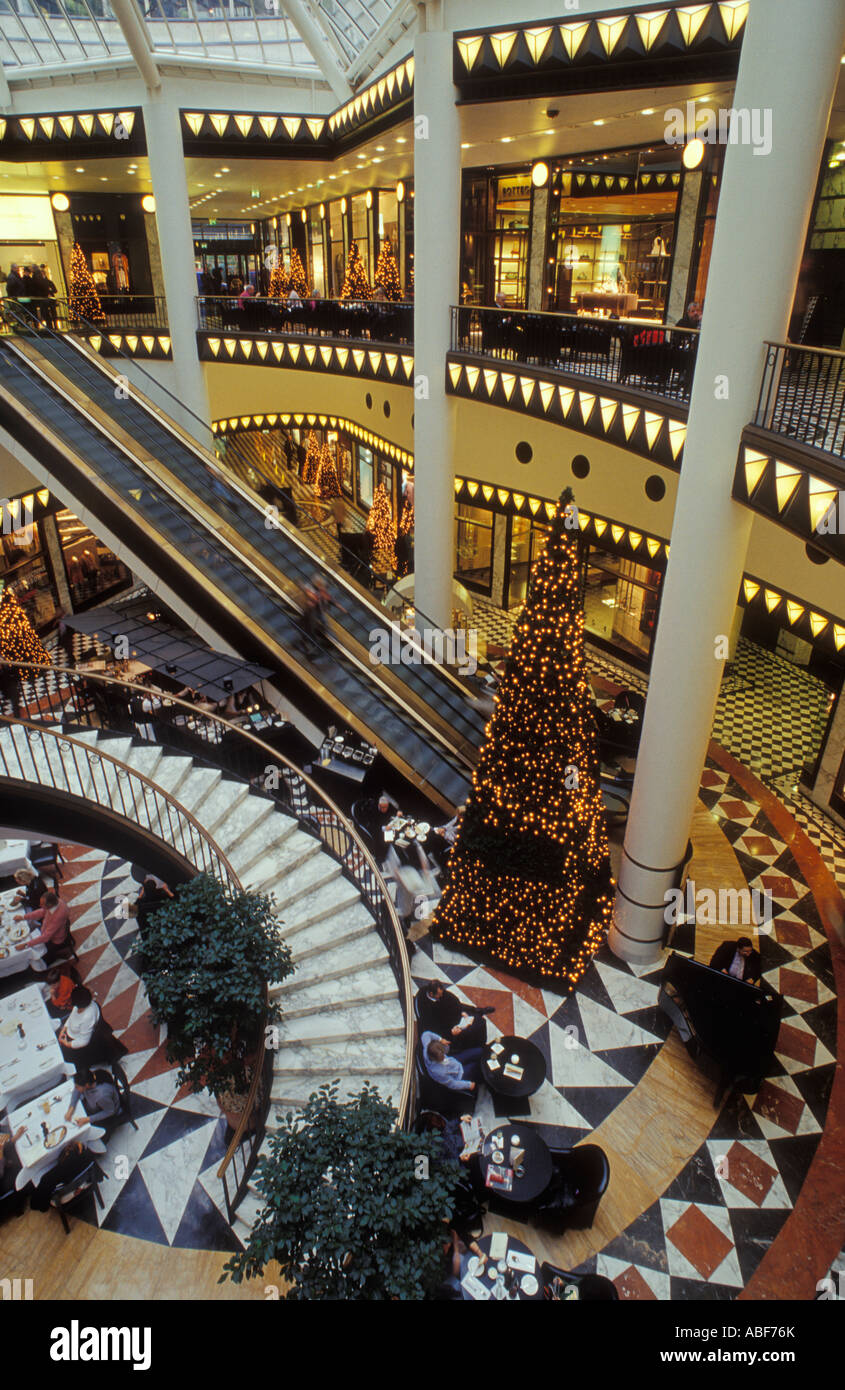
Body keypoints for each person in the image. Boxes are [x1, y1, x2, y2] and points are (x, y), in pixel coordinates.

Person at [416, 980, 493, 1049]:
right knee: (478, 1025)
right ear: (431, 994)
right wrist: (451, 1033)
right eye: (439, 994)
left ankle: (478, 1011)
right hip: (449, 1028)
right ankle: (481, 1046)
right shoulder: (426, 1009)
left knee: (474, 1015)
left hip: (457, 1015)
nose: (441, 996)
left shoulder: (439, 993)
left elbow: (452, 1000)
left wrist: (460, 1011)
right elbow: (434, 1028)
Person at [29, 1140, 95, 1212]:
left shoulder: (49, 1178)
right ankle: (40, 1203)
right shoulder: (86, 1155)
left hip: (69, 1180)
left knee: (45, 1179)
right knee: (46, 1179)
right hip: (81, 1168)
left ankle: (40, 1203)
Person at [15, 890, 71, 964]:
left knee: (39, 960)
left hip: (55, 939)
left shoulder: (58, 916)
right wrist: (23, 917)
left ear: (50, 905)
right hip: (46, 930)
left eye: (42, 904)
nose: (39, 905)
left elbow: (46, 937)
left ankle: (57, 955)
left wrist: (26, 945)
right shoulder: (56, 902)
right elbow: (41, 912)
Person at [58, 986, 101, 1063]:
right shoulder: (79, 1005)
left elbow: (84, 1041)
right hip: (68, 1034)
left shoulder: (87, 1017)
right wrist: (63, 1030)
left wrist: (67, 1044)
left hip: (75, 1043)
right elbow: (71, 1017)